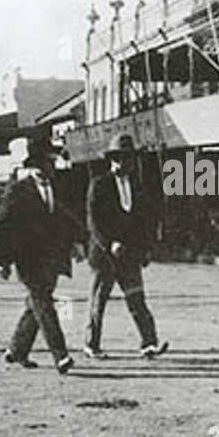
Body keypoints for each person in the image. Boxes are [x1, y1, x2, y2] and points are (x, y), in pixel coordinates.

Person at [0, 135, 77, 374]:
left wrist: (77, 243)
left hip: (52, 258)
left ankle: (17, 349)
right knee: (44, 303)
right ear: (36, 165)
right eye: (46, 162)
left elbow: (66, 219)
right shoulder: (18, 191)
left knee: (36, 304)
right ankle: (60, 355)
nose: (50, 166)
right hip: (27, 258)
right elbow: (3, 227)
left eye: (51, 161)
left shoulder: (58, 188)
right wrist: (2, 261)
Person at [84, 134, 168, 360]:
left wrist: (145, 249)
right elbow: (94, 222)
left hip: (130, 254)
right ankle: (91, 345)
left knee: (137, 299)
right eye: (119, 158)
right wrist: (109, 243)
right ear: (111, 160)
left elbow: (142, 220)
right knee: (98, 302)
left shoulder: (137, 185)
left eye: (128, 158)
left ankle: (149, 343)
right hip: (104, 255)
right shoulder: (99, 185)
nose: (124, 163)